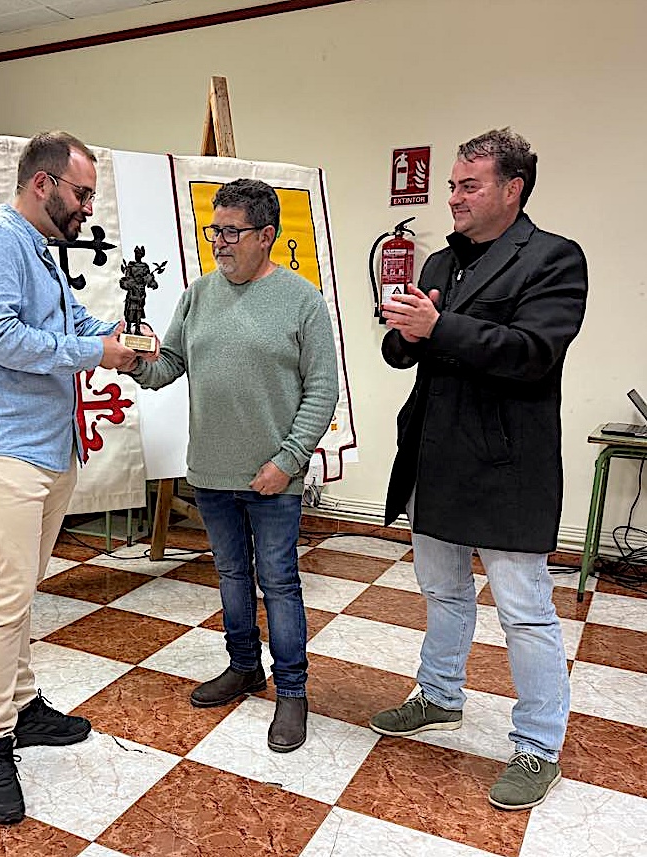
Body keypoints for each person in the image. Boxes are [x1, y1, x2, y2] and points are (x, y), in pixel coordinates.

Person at [371, 128, 588, 810]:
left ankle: (538, 746)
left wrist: (437, 328)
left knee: (525, 612)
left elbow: (532, 352)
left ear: (512, 190)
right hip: (435, 457)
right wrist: (405, 332)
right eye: (452, 186)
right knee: (442, 593)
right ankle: (438, 695)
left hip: (506, 465)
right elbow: (406, 351)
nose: (454, 198)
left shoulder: (553, 259)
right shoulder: (441, 261)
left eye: (470, 186)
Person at [0, 130, 143, 825]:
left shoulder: (38, 250)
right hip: (5, 449)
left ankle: (23, 706)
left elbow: (72, 323)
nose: (88, 207)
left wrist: (120, 338)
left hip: (47, 448)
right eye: (81, 193)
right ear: (42, 184)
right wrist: (96, 351)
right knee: (6, 596)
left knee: (23, 586)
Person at [129, 178, 338, 752]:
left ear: (266, 235)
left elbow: (322, 389)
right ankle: (244, 666)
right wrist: (134, 359)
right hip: (212, 472)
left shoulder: (302, 301)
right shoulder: (198, 295)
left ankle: (292, 691)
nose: (219, 242)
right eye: (214, 230)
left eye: (231, 232)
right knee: (230, 576)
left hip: (274, 477)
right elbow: (168, 365)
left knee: (279, 582)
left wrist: (288, 461)